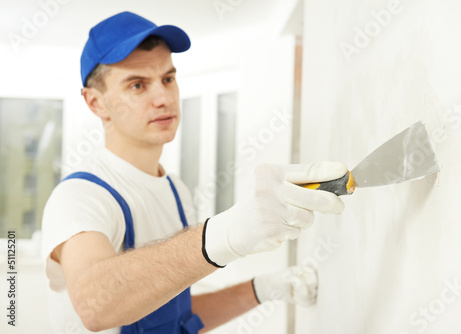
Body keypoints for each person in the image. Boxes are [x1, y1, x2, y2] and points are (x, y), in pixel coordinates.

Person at [41, 11, 347, 334]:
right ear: (96, 103)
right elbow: (95, 305)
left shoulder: (176, 190)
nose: (163, 98)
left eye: (168, 79)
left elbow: (173, 317)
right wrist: (225, 234)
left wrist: (264, 288)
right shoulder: (80, 196)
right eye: (137, 85)